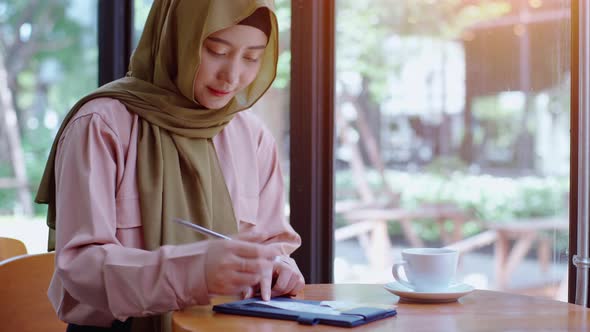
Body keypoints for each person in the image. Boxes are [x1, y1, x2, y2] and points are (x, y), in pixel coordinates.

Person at [35, 1, 304, 331]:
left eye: (251, 57)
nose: (233, 76)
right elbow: (79, 266)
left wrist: (276, 265)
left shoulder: (252, 136)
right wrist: (194, 271)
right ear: (178, 39)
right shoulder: (102, 125)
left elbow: (271, 242)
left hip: (228, 324)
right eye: (217, 51)